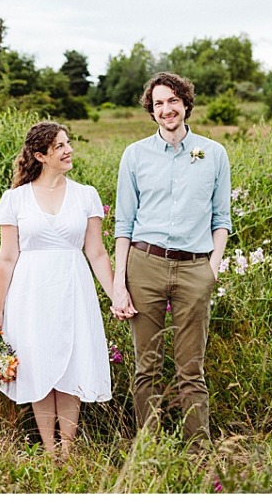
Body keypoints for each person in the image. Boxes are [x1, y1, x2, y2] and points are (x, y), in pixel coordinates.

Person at [0, 121, 137, 458]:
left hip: (73, 287)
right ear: (41, 155)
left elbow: (96, 252)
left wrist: (117, 296)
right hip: (30, 292)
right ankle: (49, 449)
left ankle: (68, 449)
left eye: (68, 143)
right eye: (60, 146)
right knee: (38, 365)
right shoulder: (15, 200)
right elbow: (7, 258)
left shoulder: (86, 195)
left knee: (72, 363)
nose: (69, 150)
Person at [113, 72, 233, 446]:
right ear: (151, 109)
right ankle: (149, 450)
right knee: (146, 366)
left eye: (173, 100)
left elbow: (221, 219)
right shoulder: (135, 155)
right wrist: (119, 283)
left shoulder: (213, 153)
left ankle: (198, 450)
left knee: (191, 369)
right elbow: (124, 223)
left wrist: (210, 271)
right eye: (159, 103)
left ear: (185, 103)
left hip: (195, 267)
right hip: (144, 265)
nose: (167, 109)